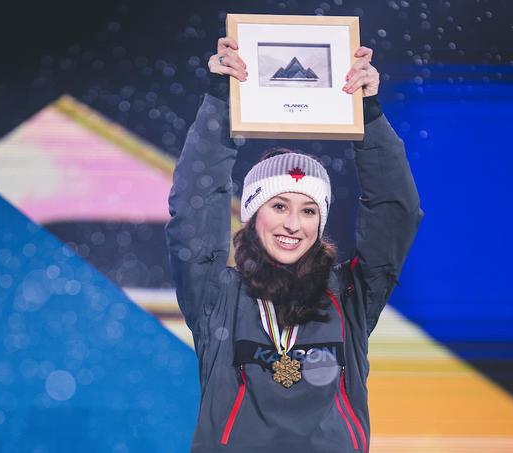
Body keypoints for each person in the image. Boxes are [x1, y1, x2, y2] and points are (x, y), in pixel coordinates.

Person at [166, 36, 422, 453]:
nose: (293, 224)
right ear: (251, 215)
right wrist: (219, 100)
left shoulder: (351, 295)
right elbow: (193, 207)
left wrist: (368, 114)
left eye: (308, 211)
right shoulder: (218, 295)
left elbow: (397, 213)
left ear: (320, 223)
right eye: (279, 205)